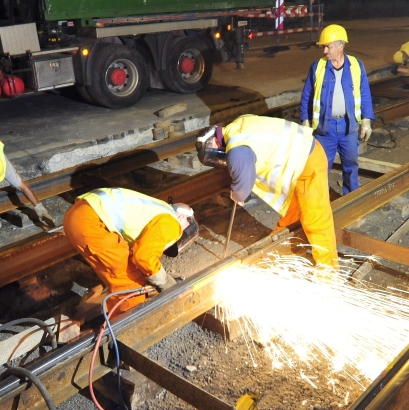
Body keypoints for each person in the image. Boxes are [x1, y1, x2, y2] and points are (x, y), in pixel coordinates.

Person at [196, 115, 338, 268]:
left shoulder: (236, 149)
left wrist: (238, 194)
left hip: (307, 160)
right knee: (292, 212)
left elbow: (243, 187)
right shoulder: (237, 125)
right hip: (299, 156)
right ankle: (287, 250)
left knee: (315, 218)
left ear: (215, 142)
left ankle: (328, 270)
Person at [63, 187, 198, 317]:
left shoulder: (158, 209)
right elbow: (144, 256)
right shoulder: (172, 223)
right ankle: (118, 331)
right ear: (182, 217)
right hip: (92, 221)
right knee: (130, 283)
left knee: (125, 269)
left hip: (80, 213)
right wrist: (164, 282)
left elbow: (137, 252)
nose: (177, 236)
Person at [299, 24, 374, 195]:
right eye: (324, 46)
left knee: (351, 166)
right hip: (325, 128)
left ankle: (351, 203)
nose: (325, 51)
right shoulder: (318, 67)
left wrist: (366, 121)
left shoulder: (356, 65)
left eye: (328, 46)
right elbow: (307, 96)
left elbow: (365, 94)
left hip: (349, 127)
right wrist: (304, 120)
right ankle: (321, 207)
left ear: (341, 46)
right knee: (320, 168)